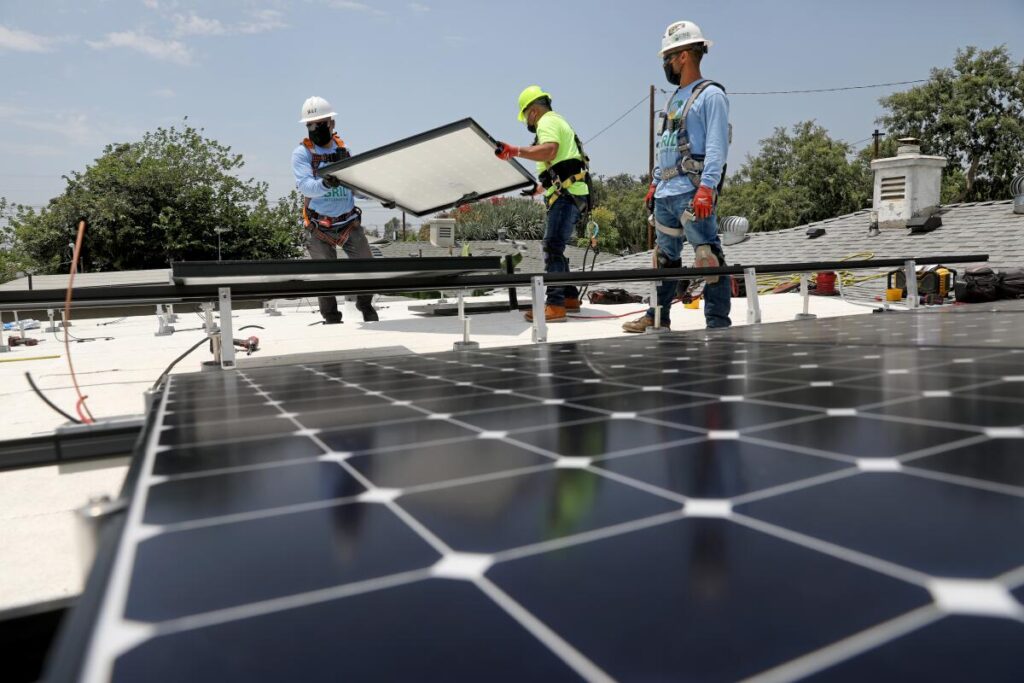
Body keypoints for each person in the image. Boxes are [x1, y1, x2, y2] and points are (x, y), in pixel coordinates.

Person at [623, 20, 732, 332]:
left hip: (691, 191)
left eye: (667, 58)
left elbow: (716, 145)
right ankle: (657, 317)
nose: (665, 65)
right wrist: (656, 182)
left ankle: (717, 324)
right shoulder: (676, 97)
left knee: (708, 258)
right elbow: (667, 145)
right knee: (665, 260)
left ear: (684, 56)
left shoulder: (711, 95)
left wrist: (707, 188)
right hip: (667, 193)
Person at [495, 86, 591, 323]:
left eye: (526, 115)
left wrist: (515, 151)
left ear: (534, 111)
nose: (526, 121)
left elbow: (550, 150)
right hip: (572, 194)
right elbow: (562, 163)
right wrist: (540, 188)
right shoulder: (558, 121)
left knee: (551, 247)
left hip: (567, 197)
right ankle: (569, 297)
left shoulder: (547, 122)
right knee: (557, 247)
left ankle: (555, 305)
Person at [292, 95, 378, 324]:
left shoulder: (344, 150)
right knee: (325, 275)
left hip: (348, 223)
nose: (314, 128)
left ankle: (366, 305)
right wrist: (325, 183)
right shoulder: (302, 154)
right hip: (319, 226)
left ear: (331, 123)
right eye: (310, 124)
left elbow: (356, 187)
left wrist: (381, 195)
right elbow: (305, 187)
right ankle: (331, 317)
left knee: (367, 267)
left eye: (319, 124)